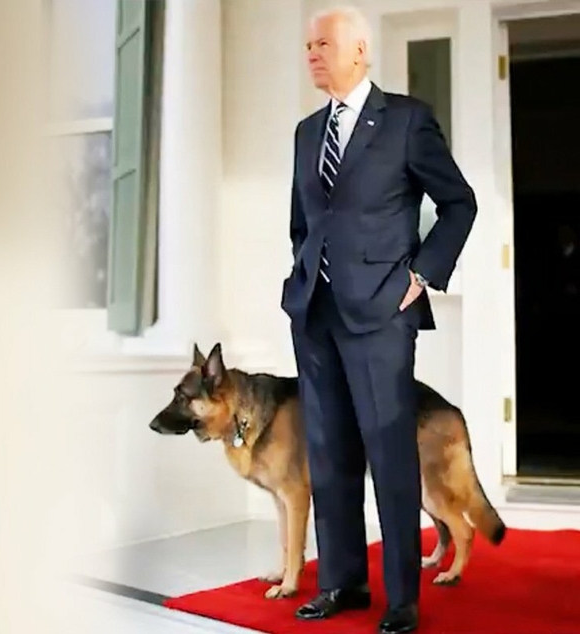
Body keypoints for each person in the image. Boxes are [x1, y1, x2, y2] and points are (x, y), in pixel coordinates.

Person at [280, 6, 477, 634]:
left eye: (324, 43)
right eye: (307, 44)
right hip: (315, 314)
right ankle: (342, 583)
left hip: (382, 317)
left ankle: (401, 598)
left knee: (389, 456)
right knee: (329, 454)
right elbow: (301, 224)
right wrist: (304, 274)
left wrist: (420, 275)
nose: (312, 53)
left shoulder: (407, 121)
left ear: (360, 50)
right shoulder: (307, 131)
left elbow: (458, 204)